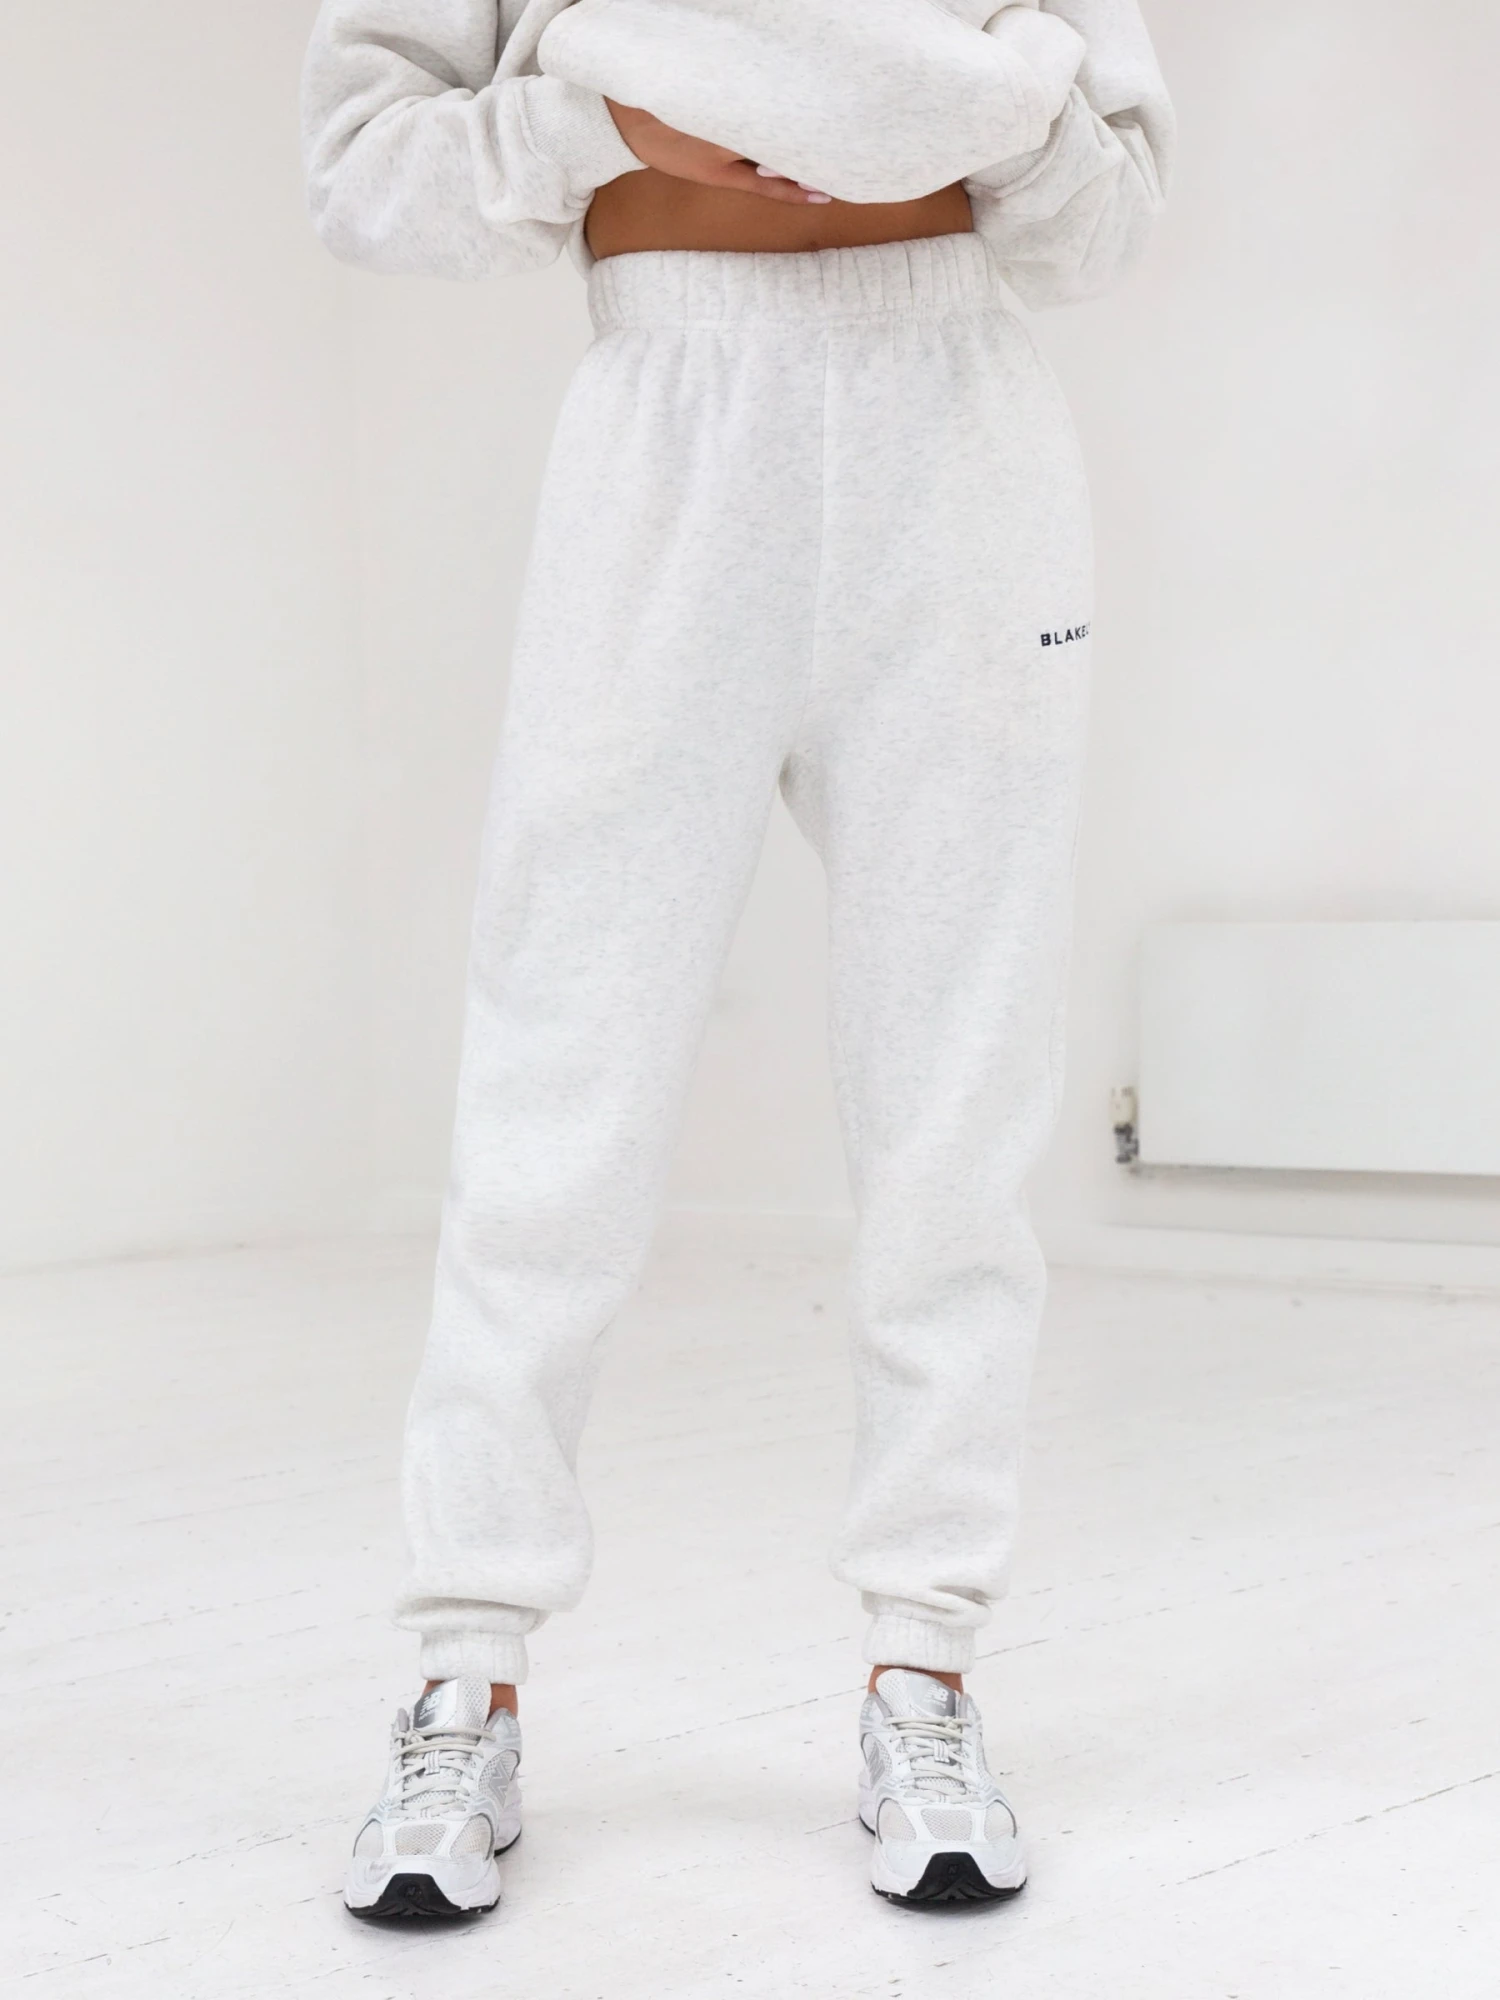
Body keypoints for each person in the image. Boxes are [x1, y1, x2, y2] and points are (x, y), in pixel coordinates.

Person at [302, 0, 1173, 1920]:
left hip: (961, 447)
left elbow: (1105, 224)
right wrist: (611, 126)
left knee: (958, 1105)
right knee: (559, 1090)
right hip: (665, 434)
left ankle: (926, 1670)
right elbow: (361, 171)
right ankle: (464, 1676)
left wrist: (971, 112)